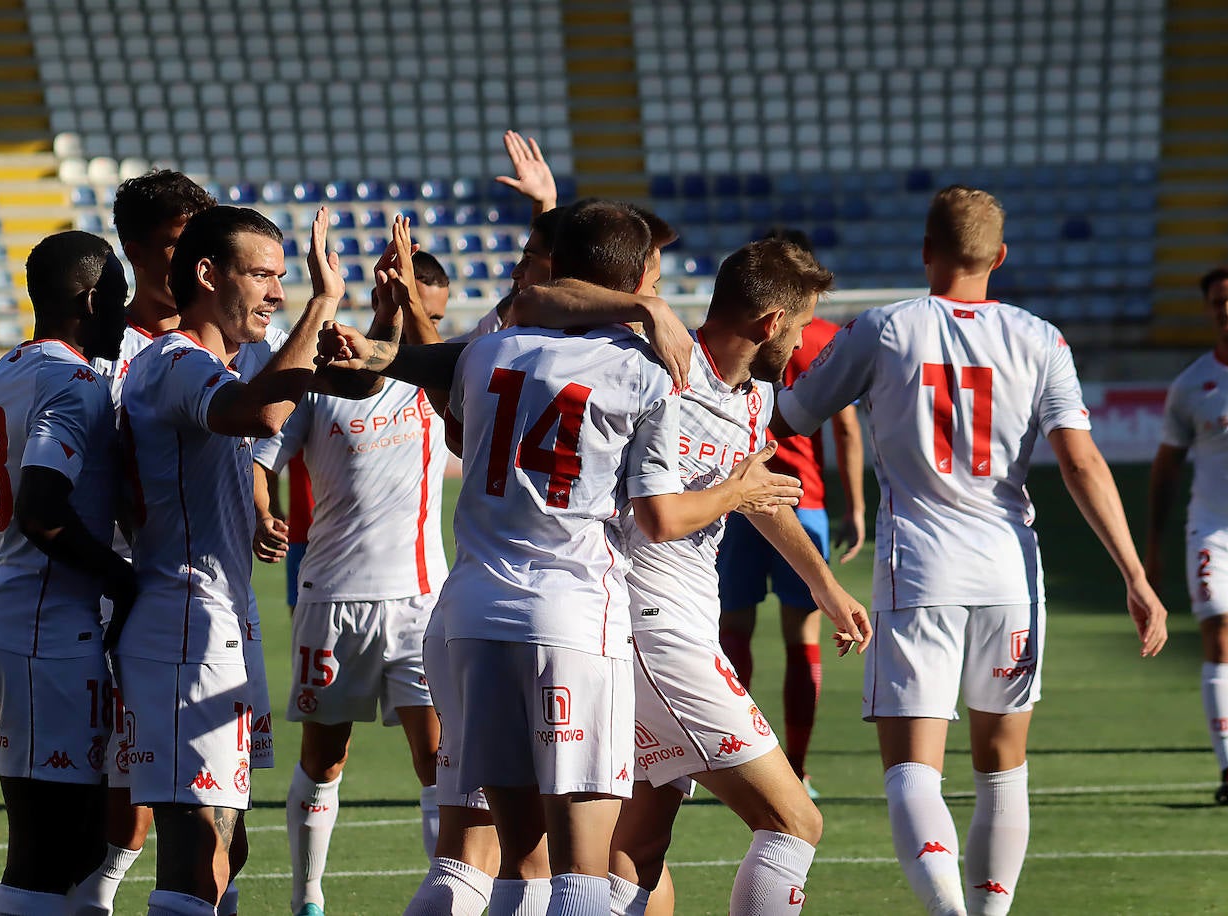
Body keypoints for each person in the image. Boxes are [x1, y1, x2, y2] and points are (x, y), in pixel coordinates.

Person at [318, 199, 800, 916]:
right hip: (571, 619)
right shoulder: (649, 373)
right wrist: (737, 491)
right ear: (637, 277)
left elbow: (483, 354)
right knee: (580, 873)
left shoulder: (489, 351)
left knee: (498, 865)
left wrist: (383, 349)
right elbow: (660, 515)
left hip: (469, 614)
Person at [772, 185, 1169, 916]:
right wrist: (1136, 575)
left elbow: (792, 414)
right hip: (1010, 568)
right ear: (1001, 257)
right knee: (1001, 767)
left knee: (912, 769)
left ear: (925, 251)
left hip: (917, 566)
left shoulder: (885, 329)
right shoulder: (1041, 337)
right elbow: (1081, 463)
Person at [509, 236, 872, 916]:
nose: (799, 347)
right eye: (796, 331)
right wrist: (644, 306)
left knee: (635, 854)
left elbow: (752, 493)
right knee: (794, 820)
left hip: (668, 628)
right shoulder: (652, 361)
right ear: (769, 324)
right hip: (651, 629)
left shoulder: (754, 398)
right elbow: (537, 299)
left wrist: (824, 585)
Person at [112, 204, 343, 915]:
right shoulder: (176, 361)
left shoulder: (226, 361)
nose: (277, 293)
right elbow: (263, 414)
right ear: (208, 275)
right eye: (263, 276)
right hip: (185, 623)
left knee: (227, 841)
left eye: (282, 278)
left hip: (221, 620)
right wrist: (322, 302)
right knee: (193, 845)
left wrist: (257, 515)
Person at [251, 218, 453, 916]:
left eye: (439, 316)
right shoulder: (321, 377)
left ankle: (449, 897)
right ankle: (308, 897)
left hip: (423, 600)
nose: (433, 324)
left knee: (439, 763)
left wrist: (545, 205)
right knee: (324, 759)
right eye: (421, 307)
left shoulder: (442, 375)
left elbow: (509, 313)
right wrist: (262, 508)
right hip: (334, 596)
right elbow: (264, 452)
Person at [0, 230, 131, 915]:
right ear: (91, 300)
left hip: (9, 612)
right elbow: (38, 509)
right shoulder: (75, 381)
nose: (124, 315)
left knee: (81, 839)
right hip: (43, 630)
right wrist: (121, 576)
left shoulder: (2, 370)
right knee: (48, 849)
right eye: (117, 300)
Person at [76, 167, 218, 916]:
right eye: (174, 242)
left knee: (215, 808)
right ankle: (93, 894)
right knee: (128, 776)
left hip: (210, 595)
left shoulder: (232, 342)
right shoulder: (104, 351)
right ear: (133, 249)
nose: (194, 258)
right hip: (120, 590)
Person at [717, 304, 865, 798]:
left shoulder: (747, 330)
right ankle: (796, 771)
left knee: (732, 631)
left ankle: (736, 766)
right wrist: (856, 506)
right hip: (805, 503)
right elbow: (844, 428)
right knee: (801, 636)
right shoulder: (824, 338)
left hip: (738, 496)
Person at [1147, 263, 1228, 806]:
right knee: (1223, 636)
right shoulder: (1191, 386)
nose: (1227, 312)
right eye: (1218, 304)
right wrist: (1154, 549)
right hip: (1216, 535)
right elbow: (1165, 470)